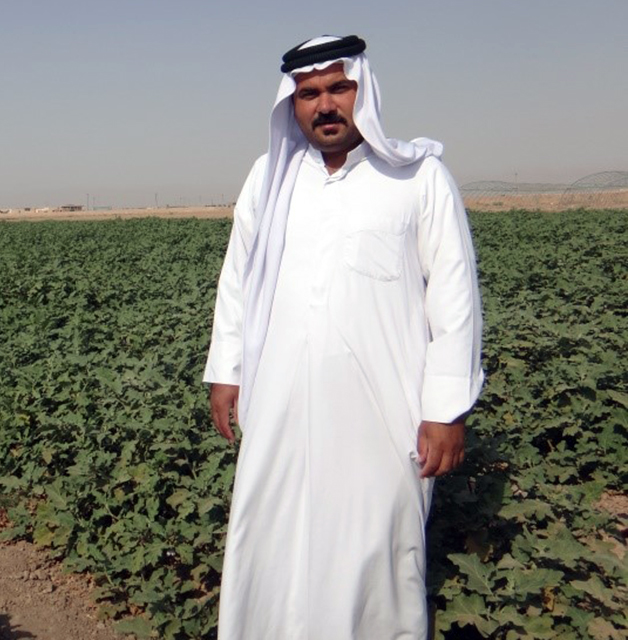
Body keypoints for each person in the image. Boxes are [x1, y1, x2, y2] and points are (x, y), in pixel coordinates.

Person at [204, 35, 483, 639]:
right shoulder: (269, 178)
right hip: (280, 404)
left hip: (382, 414)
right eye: (309, 94)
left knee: (376, 551)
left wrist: (446, 410)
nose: (324, 105)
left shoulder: (419, 178)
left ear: (363, 91)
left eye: (338, 88)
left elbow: (455, 302)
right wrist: (226, 370)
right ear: (293, 103)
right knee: (271, 541)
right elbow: (239, 276)